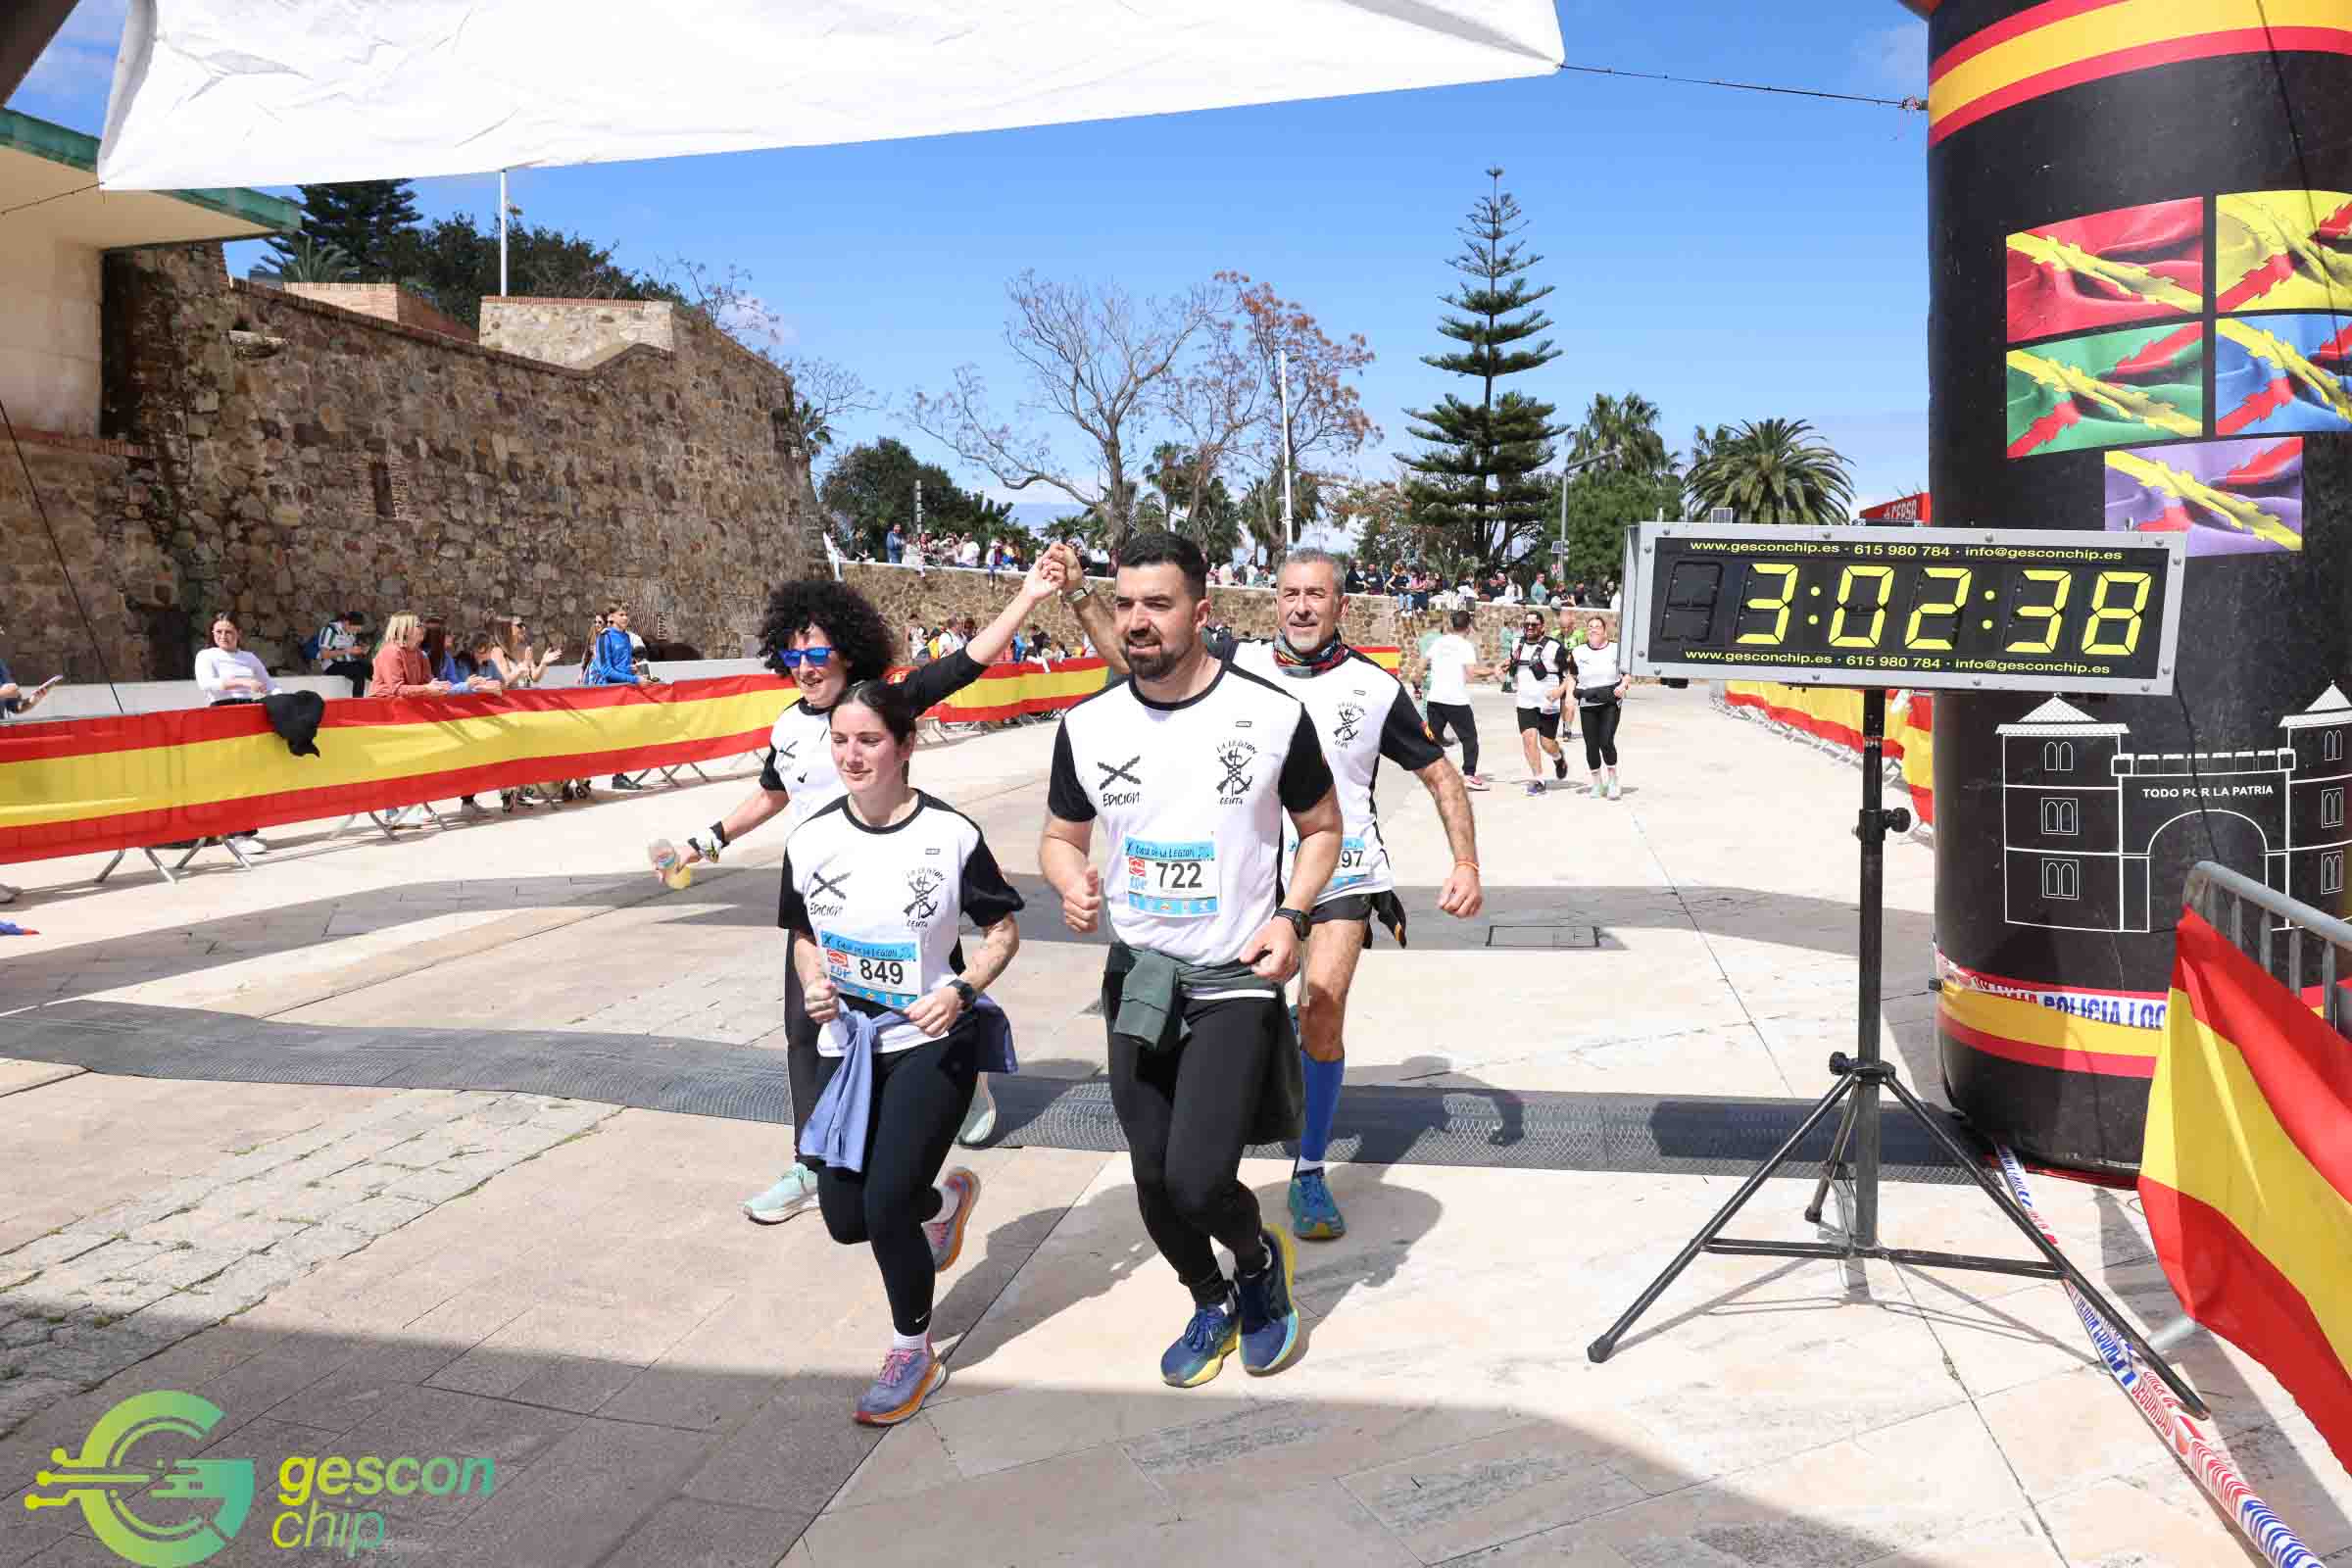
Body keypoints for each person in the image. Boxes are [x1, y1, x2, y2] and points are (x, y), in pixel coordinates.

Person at [673, 548, 1078, 1225]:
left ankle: (963, 1080)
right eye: (793, 654)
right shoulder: (788, 726)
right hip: (826, 909)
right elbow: (773, 794)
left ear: (848, 650)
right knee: (806, 1032)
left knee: (937, 1009)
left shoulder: (881, 704)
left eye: (817, 652)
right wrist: (706, 839)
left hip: (906, 897)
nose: (805, 666)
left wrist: (1028, 596)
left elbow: (966, 662)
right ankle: (810, 1162)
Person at [1040, 531, 1341, 1386]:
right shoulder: (1087, 726)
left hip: (1234, 978)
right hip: (1141, 980)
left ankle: (1258, 1266)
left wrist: (1292, 916)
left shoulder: (1271, 716)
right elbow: (1060, 838)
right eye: (1125, 604)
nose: (1137, 621)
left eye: (1158, 604)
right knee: (1151, 1176)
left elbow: (1322, 828)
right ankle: (1210, 1298)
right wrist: (1069, 879)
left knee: (1200, 1179)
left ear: (1201, 612)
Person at [781, 676, 1023, 1425]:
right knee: (846, 1216)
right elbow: (803, 934)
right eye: (840, 740)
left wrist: (962, 990)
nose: (851, 755)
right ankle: (942, 1204)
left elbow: (1003, 931)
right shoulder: (809, 838)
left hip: (931, 1039)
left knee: (885, 1205)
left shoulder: (950, 836)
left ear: (906, 744)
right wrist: (815, 980)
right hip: (846, 1047)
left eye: (869, 740)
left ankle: (913, 1352)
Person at [1229, 551, 1485, 1241]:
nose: (1302, 607)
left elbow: (1440, 774)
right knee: (1239, 1023)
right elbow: (1140, 667)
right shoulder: (1234, 669)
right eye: (1290, 594)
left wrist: (1465, 862)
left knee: (1323, 1006)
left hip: (1344, 871)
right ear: (1275, 601)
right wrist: (1078, 601)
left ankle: (1310, 1172)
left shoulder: (1373, 688)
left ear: (1340, 605)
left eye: (1316, 594)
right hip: (1252, 875)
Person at [193, 612, 282, 856]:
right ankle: (233, 833)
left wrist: (284, 700)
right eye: (219, 632)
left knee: (249, 775)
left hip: (248, 712)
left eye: (229, 632)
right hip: (222, 714)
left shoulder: (249, 657)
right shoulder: (206, 655)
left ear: (238, 634)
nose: (224, 636)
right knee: (229, 775)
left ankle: (244, 831)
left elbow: (269, 684)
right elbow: (206, 684)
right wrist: (242, 682)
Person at [1422, 609, 1495, 792]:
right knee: (1469, 739)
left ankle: (1429, 771)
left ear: (1451, 625)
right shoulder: (1465, 645)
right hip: (1456, 700)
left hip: (1435, 698)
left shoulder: (1439, 642)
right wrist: (1494, 670)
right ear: (1468, 626)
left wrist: (1416, 683)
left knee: (1434, 736)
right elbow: (1472, 673)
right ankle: (1469, 775)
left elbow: (1421, 664)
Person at [584, 604, 648, 792]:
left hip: (624, 692)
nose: (625, 618)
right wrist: (635, 679)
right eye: (621, 614)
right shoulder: (604, 637)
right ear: (611, 617)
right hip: (608, 694)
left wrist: (632, 669)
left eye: (627, 614)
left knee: (624, 735)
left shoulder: (627, 637)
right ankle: (581, 776)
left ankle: (619, 775)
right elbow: (606, 671)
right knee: (601, 737)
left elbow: (621, 666)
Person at [1508, 608, 1571, 796]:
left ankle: (1558, 757)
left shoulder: (1554, 646)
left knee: (1547, 744)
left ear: (1542, 627)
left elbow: (1572, 672)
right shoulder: (1516, 644)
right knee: (1528, 740)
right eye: (1526, 624)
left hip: (1547, 702)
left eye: (1534, 625)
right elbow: (1514, 663)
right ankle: (1539, 780)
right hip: (1525, 701)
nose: (1529, 627)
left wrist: (1560, 691)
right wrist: (1501, 668)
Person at [1570, 612, 1631, 799]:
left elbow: (1627, 673)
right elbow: (1572, 675)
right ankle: (1597, 783)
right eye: (1590, 627)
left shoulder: (1616, 649)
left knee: (1606, 741)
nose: (1593, 630)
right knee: (1591, 745)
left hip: (1610, 701)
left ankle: (1613, 781)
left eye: (1597, 627)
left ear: (1605, 631)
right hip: (1587, 702)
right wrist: (1570, 696)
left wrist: (1623, 685)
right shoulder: (1578, 652)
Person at [315, 611, 371, 697]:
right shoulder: (330, 630)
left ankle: (384, 696)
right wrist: (348, 650)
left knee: (369, 667)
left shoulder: (351, 632)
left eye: (358, 630)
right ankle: (357, 703)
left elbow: (351, 652)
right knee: (358, 672)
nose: (355, 633)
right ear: (346, 623)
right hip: (331, 665)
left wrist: (361, 650)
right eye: (355, 629)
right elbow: (324, 654)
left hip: (347, 663)